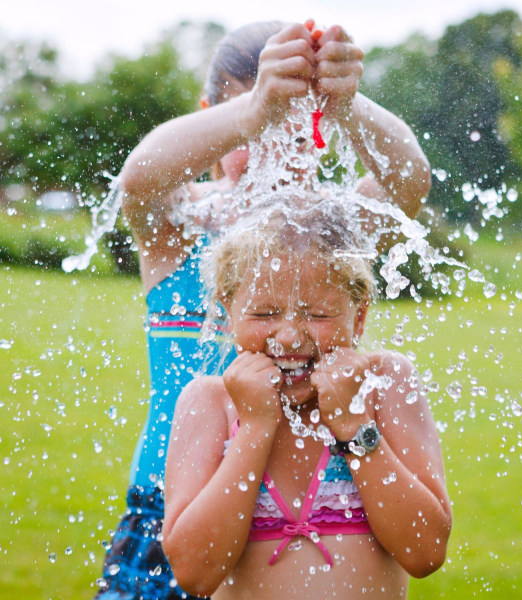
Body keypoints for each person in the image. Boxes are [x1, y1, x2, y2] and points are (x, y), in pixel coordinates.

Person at [95, 18, 431, 599]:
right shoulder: (185, 228)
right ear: (213, 120)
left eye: (295, 131)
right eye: (256, 129)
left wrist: (348, 105)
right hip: (173, 504)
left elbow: (408, 181)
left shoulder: (334, 234)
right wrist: (257, 108)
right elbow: (141, 179)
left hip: (313, 498)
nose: (275, 149)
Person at [162, 199, 452, 599]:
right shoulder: (210, 403)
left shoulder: (383, 385)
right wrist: (255, 428)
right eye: (264, 314)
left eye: (317, 314)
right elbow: (195, 572)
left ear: (360, 316)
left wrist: (353, 426)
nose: (289, 336)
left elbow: (425, 551)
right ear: (228, 313)